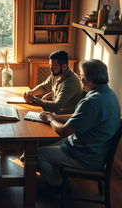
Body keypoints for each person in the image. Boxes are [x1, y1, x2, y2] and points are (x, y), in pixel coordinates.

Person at [37, 59, 120, 189]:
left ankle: (56, 185)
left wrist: (49, 119)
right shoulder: (108, 94)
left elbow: (64, 131)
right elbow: (79, 117)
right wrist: (55, 116)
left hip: (85, 157)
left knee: (39, 153)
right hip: (97, 151)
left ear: (89, 79)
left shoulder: (91, 102)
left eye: (81, 75)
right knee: (44, 142)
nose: (80, 77)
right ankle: (55, 176)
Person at [24, 50, 83, 114]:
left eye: (54, 66)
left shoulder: (70, 82)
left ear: (64, 66)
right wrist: (31, 93)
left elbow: (57, 105)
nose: (51, 69)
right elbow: (44, 87)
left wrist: (34, 99)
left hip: (63, 117)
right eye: (50, 65)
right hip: (55, 112)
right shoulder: (56, 73)